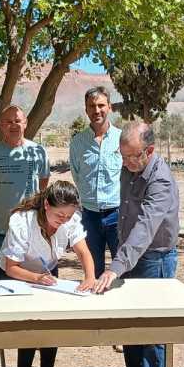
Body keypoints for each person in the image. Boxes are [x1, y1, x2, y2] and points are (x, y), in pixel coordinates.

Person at [94, 121, 180, 367]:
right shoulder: (128, 168)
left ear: (150, 150)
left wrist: (116, 265)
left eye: (133, 157)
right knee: (130, 320)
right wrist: (121, 258)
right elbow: (126, 214)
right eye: (123, 156)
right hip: (129, 255)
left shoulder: (161, 181)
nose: (127, 162)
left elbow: (145, 227)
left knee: (153, 324)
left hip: (155, 258)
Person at [0, 180, 97, 367]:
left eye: (68, 216)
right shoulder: (21, 221)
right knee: (30, 329)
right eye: (59, 215)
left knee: (51, 327)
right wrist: (34, 278)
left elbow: (83, 251)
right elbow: (10, 267)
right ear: (46, 205)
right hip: (19, 276)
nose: (63, 220)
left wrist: (90, 277)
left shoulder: (70, 219)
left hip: (48, 275)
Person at [0, 105, 50, 275]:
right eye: (8, 122)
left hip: (30, 229)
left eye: (18, 121)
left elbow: (42, 187)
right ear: (1, 126)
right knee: (0, 280)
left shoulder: (39, 152)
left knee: (30, 279)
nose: (14, 125)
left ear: (25, 123)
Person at [69, 87, 121, 278]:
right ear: (86, 109)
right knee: (92, 270)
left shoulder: (121, 139)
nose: (96, 110)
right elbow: (77, 175)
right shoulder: (77, 142)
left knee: (122, 270)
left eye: (101, 105)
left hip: (118, 215)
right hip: (89, 216)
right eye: (92, 106)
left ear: (109, 107)